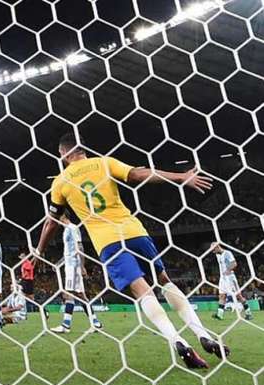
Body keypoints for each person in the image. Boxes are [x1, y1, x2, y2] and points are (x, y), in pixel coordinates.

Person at [34, 132, 227, 369]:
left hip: (108, 241)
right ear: (83, 148)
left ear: (63, 154)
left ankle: (179, 342)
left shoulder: (60, 182)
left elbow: (51, 222)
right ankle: (202, 334)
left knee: (143, 292)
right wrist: (180, 177)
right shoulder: (105, 162)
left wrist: (39, 251)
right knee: (164, 281)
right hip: (134, 231)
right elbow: (138, 174)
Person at [50, 213, 103, 333]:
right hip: (69, 265)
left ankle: (66, 325)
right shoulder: (66, 230)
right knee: (81, 296)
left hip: (74, 266)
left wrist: (82, 266)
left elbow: (80, 247)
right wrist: (59, 263)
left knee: (69, 294)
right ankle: (96, 324)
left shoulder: (73, 228)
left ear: (62, 215)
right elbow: (69, 252)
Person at [212, 243, 252, 321]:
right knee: (222, 296)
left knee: (238, 296)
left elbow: (234, 263)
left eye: (214, 250)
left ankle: (248, 313)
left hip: (230, 278)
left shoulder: (227, 253)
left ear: (217, 247)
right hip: (222, 278)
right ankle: (219, 315)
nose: (213, 252)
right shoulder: (218, 255)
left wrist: (228, 270)